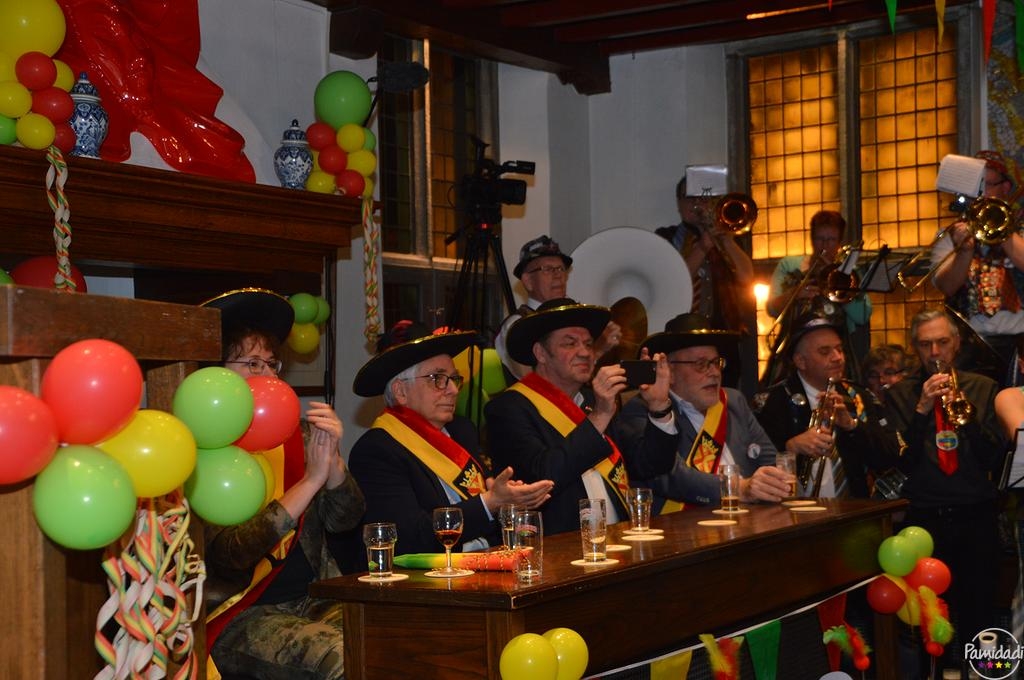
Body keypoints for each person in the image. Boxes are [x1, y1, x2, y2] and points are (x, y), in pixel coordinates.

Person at [200, 289, 366, 680]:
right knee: (343, 658)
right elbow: (231, 554)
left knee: (388, 637)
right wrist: (310, 481)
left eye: (271, 364)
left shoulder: (296, 434)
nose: (268, 376)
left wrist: (333, 466)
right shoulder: (202, 448)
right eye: (251, 363)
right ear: (215, 373)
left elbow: (347, 519)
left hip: (313, 597)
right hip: (241, 614)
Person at [348, 321, 553, 557]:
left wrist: (509, 501)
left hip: (489, 561)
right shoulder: (376, 450)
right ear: (400, 391)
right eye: (437, 378)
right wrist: (489, 503)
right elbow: (408, 539)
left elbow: (488, 505)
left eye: (454, 379)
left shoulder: (461, 431)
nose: (454, 390)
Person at [484, 298, 678, 535]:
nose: (585, 352)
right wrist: (600, 415)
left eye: (588, 344)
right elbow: (543, 477)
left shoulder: (592, 400)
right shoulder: (508, 408)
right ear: (540, 353)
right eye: (570, 343)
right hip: (559, 546)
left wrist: (659, 407)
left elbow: (650, 465)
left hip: (617, 540)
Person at [886, 308, 1005, 675]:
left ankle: (982, 674)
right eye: (925, 344)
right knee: (927, 619)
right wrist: (922, 410)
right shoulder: (900, 394)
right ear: (914, 348)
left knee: (979, 615)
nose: (934, 352)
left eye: (942, 342)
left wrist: (965, 418)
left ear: (956, 343)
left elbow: (993, 457)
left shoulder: (983, 388)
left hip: (976, 517)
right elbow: (901, 463)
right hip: (924, 522)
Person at [616, 313, 791, 511]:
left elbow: (771, 461)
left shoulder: (733, 401)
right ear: (669, 372)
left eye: (716, 362)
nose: (714, 372)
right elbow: (668, 475)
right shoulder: (643, 410)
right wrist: (739, 488)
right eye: (701, 364)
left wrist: (781, 486)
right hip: (686, 526)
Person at [754, 311, 899, 499]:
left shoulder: (860, 396)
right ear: (801, 361)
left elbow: (888, 458)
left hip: (855, 509)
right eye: (825, 352)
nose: (837, 357)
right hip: (796, 511)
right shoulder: (772, 401)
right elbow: (754, 464)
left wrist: (852, 426)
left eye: (839, 349)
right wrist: (790, 448)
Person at [932, 150, 1024, 385]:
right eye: (975, 187)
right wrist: (964, 251)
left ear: (1005, 188)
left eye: (987, 185)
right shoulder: (952, 233)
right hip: (970, 344)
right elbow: (946, 287)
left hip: (1021, 342)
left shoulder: (1020, 231)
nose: (979, 194)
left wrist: (999, 226)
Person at [656, 178, 755, 389]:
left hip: (723, 337)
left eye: (704, 198)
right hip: (682, 337)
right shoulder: (666, 237)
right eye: (690, 197)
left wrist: (726, 239)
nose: (697, 203)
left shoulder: (729, 238)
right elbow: (673, 282)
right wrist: (703, 246)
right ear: (679, 203)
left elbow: (747, 279)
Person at [764, 210, 872, 384]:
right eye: (819, 239)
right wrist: (794, 293)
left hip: (836, 350)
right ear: (811, 238)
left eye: (831, 240)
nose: (824, 245)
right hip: (796, 348)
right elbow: (771, 308)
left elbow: (862, 316)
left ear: (839, 242)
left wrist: (838, 281)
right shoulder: (789, 265)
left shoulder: (849, 272)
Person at [495, 235, 620, 379]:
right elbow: (532, 383)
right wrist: (597, 351)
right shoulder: (516, 326)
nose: (558, 275)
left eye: (561, 269)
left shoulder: (576, 316)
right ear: (528, 281)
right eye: (547, 269)